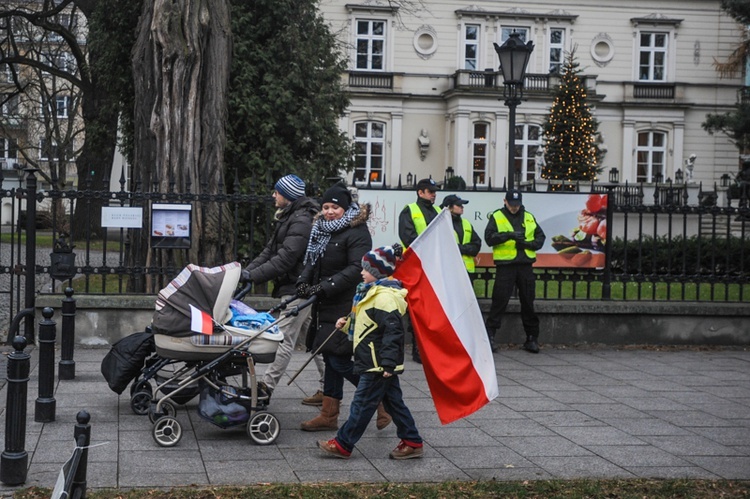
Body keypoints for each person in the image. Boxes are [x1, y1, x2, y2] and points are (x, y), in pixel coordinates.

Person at [297, 182, 391, 432]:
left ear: (346, 207)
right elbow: (313, 259)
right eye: (326, 207)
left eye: (334, 207)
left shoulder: (357, 231)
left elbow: (355, 269)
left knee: (337, 358)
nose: (329, 211)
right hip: (325, 303)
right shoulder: (321, 229)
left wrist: (324, 286)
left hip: (346, 302)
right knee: (330, 357)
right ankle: (329, 414)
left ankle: (381, 398)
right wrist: (304, 282)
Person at [317, 244, 424, 460]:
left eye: (366, 269)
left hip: (377, 364)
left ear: (377, 272)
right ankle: (412, 441)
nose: (362, 272)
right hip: (375, 360)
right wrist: (347, 325)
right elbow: (367, 325)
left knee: (362, 404)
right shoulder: (370, 293)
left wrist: (388, 364)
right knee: (394, 403)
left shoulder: (385, 298)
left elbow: (393, 334)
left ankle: (343, 444)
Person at [239, 174, 325, 403]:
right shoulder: (290, 217)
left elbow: (286, 258)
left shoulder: (301, 220)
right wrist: (246, 273)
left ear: (287, 195)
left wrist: (253, 275)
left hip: (300, 287)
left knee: (283, 336)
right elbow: (269, 252)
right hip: (295, 284)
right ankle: (330, 390)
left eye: (277, 192)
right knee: (315, 340)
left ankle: (265, 387)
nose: (273, 195)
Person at [483, 189, 546, 354]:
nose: (514, 208)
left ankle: (532, 337)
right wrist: (508, 235)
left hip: (525, 264)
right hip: (506, 265)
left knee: (528, 302)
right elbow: (489, 238)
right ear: (505, 201)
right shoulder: (497, 216)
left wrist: (526, 244)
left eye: (517, 205)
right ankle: (490, 336)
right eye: (511, 204)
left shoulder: (528, 216)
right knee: (499, 301)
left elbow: (540, 238)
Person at [398, 178, 440, 363]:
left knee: (432, 308)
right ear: (420, 192)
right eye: (430, 192)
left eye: (434, 192)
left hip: (434, 266)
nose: (434, 195)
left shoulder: (439, 211)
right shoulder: (410, 210)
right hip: (416, 266)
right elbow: (408, 236)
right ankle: (417, 346)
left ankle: (430, 346)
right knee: (417, 306)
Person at [440, 194, 481, 273]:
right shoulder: (442, 224)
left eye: (462, 205)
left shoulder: (466, 223)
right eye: (458, 205)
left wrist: (459, 248)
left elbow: (477, 245)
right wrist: (466, 248)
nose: (462, 207)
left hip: (467, 271)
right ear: (449, 207)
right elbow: (443, 247)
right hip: (449, 271)